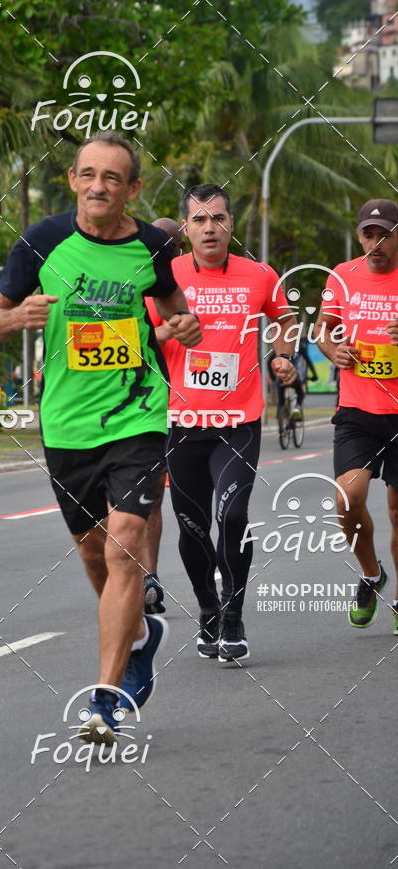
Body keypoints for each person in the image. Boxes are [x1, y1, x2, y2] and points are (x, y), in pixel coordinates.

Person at [0, 132, 201, 742]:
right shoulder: (43, 241)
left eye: (113, 178)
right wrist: (14, 317)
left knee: (125, 543)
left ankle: (105, 697)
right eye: (88, 175)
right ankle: (138, 633)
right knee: (90, 550)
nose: (98, 186)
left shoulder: (153, 246)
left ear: (132, 189)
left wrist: (186, 326)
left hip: (137, 414)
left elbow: (183, 314)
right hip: (68, 424)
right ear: (74, 180)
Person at [146, 184, 299, 663]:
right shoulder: (163, 276)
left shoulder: (259, 275)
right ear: (186, 228)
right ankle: (209, 612)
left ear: (232, 224)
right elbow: (142, 338)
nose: (209, 227)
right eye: (199, 220)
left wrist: (281, 356)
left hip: (238, 423)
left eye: (218, 218)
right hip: (181, 424)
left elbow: (286, 320)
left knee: (232, 517)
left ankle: (233, 616)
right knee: (192, 528)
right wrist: (168, 329)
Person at [314, 198, 398, 634]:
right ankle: (371, 574)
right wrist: (333, 350)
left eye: (385, 233)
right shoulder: (342, 276)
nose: (376, 243)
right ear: (358, 235)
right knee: (347, 501)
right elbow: (323, 329)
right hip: (358, 410)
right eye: (369, 234)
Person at [143, 218, 184, 616]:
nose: (164, 255)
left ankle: (149, 577)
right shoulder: (135, 281)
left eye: (170, 249)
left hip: (186, 404)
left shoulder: (183, 282)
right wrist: (167, 332)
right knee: (145, 496)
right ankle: (142, 575)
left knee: (161, 497)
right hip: (140, 401)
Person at [267, 336, 317, 420]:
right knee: (300, 393)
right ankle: (297, 408)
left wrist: (273, 377)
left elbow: (269, 361)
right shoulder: (300, 347)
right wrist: (314, 374)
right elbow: (308, 361)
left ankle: (280, 416)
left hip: (281, 378)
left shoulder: (280, 348)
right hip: (294, 376)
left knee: (281, 400)